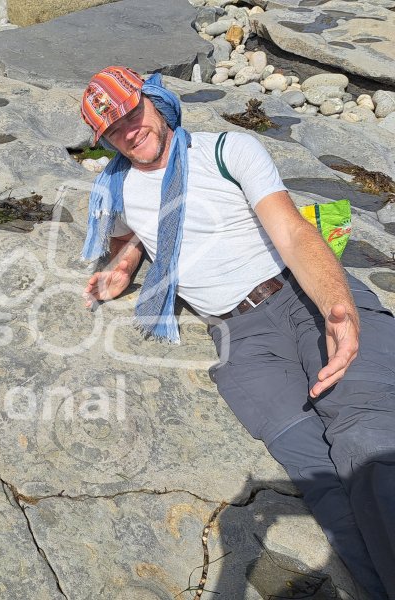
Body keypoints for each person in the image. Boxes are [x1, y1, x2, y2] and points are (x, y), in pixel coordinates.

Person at [79, 66, 395, 598]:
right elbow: (136, 230)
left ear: (154, 100)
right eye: (113, 130)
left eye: (133, 113)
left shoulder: (229, 149)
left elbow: (294, 233)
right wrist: (125, 263)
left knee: (365, 438)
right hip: (241, 340)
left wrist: (337, 306)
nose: (130, 132)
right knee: (318, 475)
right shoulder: (114, 185)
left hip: (302, 297)